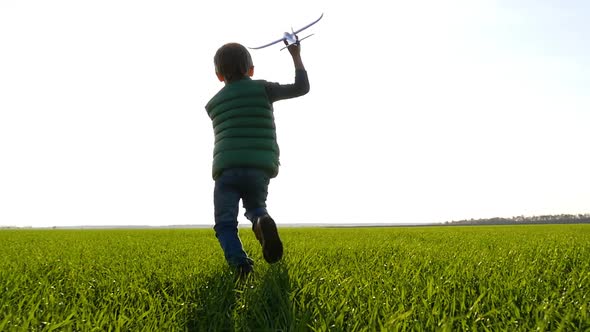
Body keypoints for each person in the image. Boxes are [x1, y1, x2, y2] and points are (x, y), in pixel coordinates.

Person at [205, 40, 309, 278]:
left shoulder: (213, 105)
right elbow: (301, 87)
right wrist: (295, 55)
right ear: (251, 69)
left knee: (225, 224)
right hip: (258, 168)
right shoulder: (263, 89)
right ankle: (262, 221)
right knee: (255, 207)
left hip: (226, 170)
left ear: (219, 75)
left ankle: (241, 266)